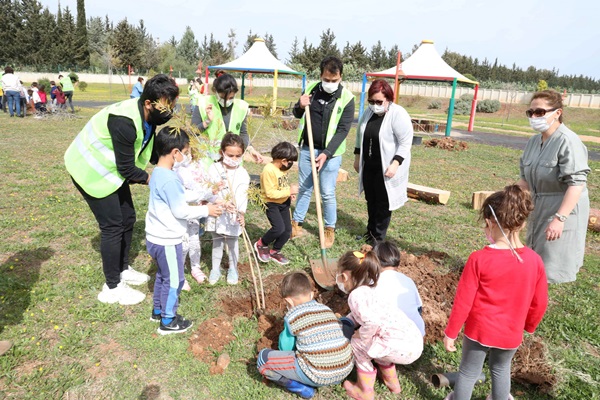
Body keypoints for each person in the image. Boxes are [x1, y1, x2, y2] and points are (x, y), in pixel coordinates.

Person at [64, 74, 179, 305]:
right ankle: (112, 286)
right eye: (167, 105)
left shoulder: (149, 118)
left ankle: (123, 268)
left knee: (128, 217)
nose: (170, 111)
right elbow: (127, 168)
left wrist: (174, 163)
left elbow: (149, 149)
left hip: (111, 172)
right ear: (149, 103)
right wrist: (155, 179)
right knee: (113, 225)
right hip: (89, 169)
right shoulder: (124, 122)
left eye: (173, 105)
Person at [443, 185, 549, 400]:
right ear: (523, 223)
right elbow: (540, 301)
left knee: (468, 372)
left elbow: (463, 302)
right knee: (501, 370)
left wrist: (451, 332)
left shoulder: (478, 259)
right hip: (511, 332)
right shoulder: (534, 260)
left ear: (490, 222)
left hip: (479, 332)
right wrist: (528, 326)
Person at [146, 127, 223, 335]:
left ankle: (158, 311)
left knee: (163, 276)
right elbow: (180, 210)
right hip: (167, 240)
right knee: (175, 279)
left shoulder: (158, 174)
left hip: (154, 238)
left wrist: (206, 192)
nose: (187, 156)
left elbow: (179, 197)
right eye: (186, 151)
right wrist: (206, 209)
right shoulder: (170, 178)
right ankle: (168, 321)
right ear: (175, 153)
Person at [517, 89, 590, 284]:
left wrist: (560, 218)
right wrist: (510, 200)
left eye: (540, 112)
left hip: (562, 207)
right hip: (539, 206)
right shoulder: (534, 141)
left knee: (552, 265)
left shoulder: (568, 141)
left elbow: (577, 184)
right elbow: (524, 179)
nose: (534, 117)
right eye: (531, 113)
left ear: (557, 113)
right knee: (534, 258)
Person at [336, 250, 423, 399]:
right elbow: (363, 315)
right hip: (413, 342)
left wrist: (361, 334)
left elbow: (371, 322)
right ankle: (392, 383)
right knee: (377, 345)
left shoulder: (355, 296)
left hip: (399, 346)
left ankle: (365, 391)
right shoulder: (371, 290)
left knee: (358, 345)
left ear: (344, 276)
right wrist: (348, 320)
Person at [257, 271, 354, 399]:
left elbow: (285, 348)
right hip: (345, 369)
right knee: (345, 322)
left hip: (318, 375)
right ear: (312, 293)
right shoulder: (326, 309)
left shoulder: (292, 316)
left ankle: (301, 388)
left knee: (262, 359)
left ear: (288, 302)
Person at [291, 56, 355, 248]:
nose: (329, 84)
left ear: (340, 77)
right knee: (304, 187)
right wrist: (300, 105)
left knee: (327, 192)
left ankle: (329, 229)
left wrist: (326, 153)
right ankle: (296, 223)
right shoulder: (311, 89)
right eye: (326, 80)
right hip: (307, 148)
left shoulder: (347, 98)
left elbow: (343, 130)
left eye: (334, 81)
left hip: (331, 154)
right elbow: (297, 114)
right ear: (321, 76)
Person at [353, 79, 413, 245]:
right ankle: (370, 233)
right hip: (370, 165)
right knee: (371, 200)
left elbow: (405, 142)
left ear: (389, 99)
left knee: (383, 202)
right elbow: (360, 135)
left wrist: (395, 163)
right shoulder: (368, 113)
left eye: (379, 102)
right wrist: (358, 158)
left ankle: (378, 238)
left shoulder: (398, 114)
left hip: (387, 167)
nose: (375, 105)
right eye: (371, 101)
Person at [205, 133, 250, 285]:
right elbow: (208, 192)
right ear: (222, 152)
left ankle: (233, 268)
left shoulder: (242, 173)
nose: (234, 159)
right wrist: (221, 202)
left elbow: (244, 196)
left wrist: (241, 213)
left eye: (238, 156)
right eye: (231, 155)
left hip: (234, 215)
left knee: (232, 241)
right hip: (217, 212)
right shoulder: (214, 169)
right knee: (217, 241)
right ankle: (215, 268)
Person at [191, 73, 263, 166]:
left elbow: (243, 133)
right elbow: (192, 133)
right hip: (209, 163)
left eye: (231, 97)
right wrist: (207, 121)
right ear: (215, 92)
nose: (226, 101)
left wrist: (251, 149)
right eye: (222, 97)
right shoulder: (203, 103)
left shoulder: (241, 107)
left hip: (232, 162)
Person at [173, 148, 221, 287]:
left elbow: (204, 185)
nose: (188, 155)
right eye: (185, 151)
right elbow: (182, 195)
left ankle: (195, 267)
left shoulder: (198, 166)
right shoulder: (175, 170)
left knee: (194, 239)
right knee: (183, 243)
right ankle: (179, 273)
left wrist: (212, 195)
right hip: (183, 210)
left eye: (189, 151)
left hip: (196, 209)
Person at [254, 142, 299, 266]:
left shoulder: (282, 169)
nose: (291, 164)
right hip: (271, 203)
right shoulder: (269, 170)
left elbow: (281, 185)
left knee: (286, 231)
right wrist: (289, 191)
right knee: (278, 228)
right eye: (291, 162)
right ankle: (261, 244)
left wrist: (289, 193)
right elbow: (270, 193)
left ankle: (275, 251)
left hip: (283, 202)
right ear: (284, 160)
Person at [373, 241, 425, 337]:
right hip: (416, 336)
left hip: (391, 339)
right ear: (398, 263)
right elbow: (419, 308)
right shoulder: (408, 281)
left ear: (374, 262)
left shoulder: (373, 283)